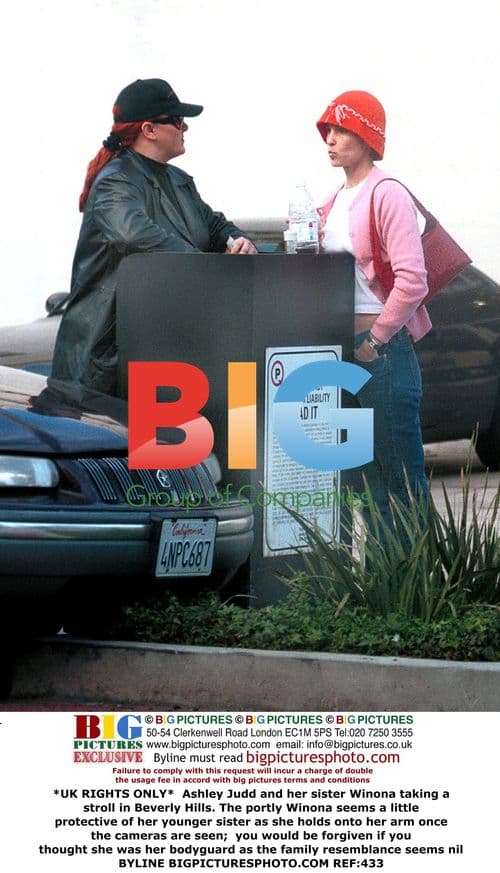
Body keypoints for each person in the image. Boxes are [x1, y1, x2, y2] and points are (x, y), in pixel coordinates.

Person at [49, 78, 257, 405]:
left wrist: (239, 240)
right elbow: (142, 240)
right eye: (176, 120)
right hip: (110, 359)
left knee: (182, 451)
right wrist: (216, 270)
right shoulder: (114, 183)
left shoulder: (178, 180)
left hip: (163, 349)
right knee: (129, 454)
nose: (184, 127)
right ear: (149, 129)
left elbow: (215, 225)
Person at [316, 90, 430, 528]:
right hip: (345, 351)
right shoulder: (331, 201)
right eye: (328, 129)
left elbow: (412, 279)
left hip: (381, 350)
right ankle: (381, 591)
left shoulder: (387, 193)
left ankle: (411, 594)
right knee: (363, 483)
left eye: (343, 130)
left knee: (398, 481)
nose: (331, 139)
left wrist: (375, 341)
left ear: (367, 137)